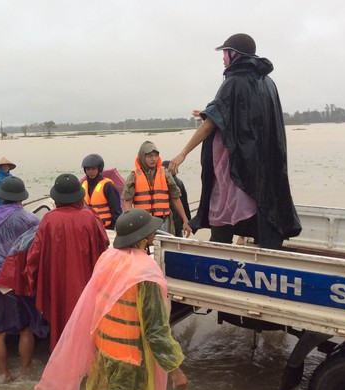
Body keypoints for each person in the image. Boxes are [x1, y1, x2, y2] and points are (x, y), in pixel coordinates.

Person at [35, 209, 188, 390]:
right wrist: (175, 369)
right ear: (143, 238)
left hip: (104, 347)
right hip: (128, 357)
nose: (153, 236)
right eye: (150, 232)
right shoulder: (144, 272)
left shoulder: (107, 258)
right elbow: (155, 328)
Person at [167, 33, 301, 249]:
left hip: (238, 165)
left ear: (234, 54)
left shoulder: (234, 81)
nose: (223, 59)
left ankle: (219, 248)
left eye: (224, 53)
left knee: (222, 207)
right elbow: (247, 116)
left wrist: (183, 153)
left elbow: (213, 123)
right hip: (263, 166)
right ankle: (267, 249)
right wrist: (208, 112)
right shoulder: (267, 82)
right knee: (262, 208)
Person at [26, 173, 109, 351]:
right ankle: (87, 370)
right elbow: (104, 248)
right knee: (87, 329)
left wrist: (33, 284)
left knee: (59, 327)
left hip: (57, 286)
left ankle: (60, 366)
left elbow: (34, 255)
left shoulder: (49, 219)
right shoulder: (90, 217)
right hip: (86, 285)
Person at [0, 176, 48, 381]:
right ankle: (26, 372)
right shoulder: (29, 219)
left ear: (0, 197)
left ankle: (4, 374)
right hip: (17, 279)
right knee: (25, 328)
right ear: (20, 198)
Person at [122, 141, 191, 237]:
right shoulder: (133, 176)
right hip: (143, 223)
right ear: (142, 157)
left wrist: (185, 220)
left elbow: (176, 198)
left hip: (163, 221)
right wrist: (130, 222)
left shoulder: (165, 173)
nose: (153, 159)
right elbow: (128, 202)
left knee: (164, 248)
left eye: (155, 156)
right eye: (150, 156)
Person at [81, 154, 122, 229]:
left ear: (99, 169)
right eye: (88, 169)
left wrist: (115, 227)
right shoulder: (83, 186)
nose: (90, 171)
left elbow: (116, 210)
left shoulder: (108, 186)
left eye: (93, 168)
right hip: (90, 227)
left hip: (107, 227)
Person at [162, 160, 192, 238]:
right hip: (177, 218)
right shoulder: (179, 182)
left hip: (167, 218)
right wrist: (187, 221)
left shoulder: (164, 182)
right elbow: (185, 204)